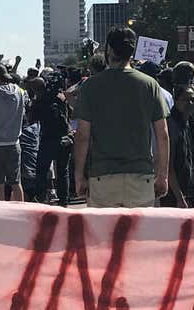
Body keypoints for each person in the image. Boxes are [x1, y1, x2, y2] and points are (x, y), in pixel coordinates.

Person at [71, 28, 169, 209]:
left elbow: (82, 136)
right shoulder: (150, 85)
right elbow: (162, 134)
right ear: (132, 52)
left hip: (102, 177)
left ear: (108, 50)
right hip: (140, 176)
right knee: (139, 236)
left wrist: (79, 176)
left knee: (103, 236)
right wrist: (162, 175)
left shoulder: (90, 86)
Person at [165, 62, 194, 208]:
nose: (190, 103)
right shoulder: (172, 125)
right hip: (175, 196)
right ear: (176, 101)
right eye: (185, 100)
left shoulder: (191, 125)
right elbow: (168, 166)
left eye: (193, 100)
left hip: (192, 191)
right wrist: (179, 197)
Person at [0, 63, 27, 201]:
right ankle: (21, 210)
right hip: (14, 142)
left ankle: (1, 213)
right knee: (16, 182)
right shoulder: (20, 91)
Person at [29, 70, 72, 205]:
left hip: (48, 139)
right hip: (64, 138)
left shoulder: (41, 100)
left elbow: (31, 119)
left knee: (41, 171)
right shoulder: (61, 97)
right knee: (62, 171)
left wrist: (35, 100)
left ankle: (41, 199)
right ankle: (64, 201)